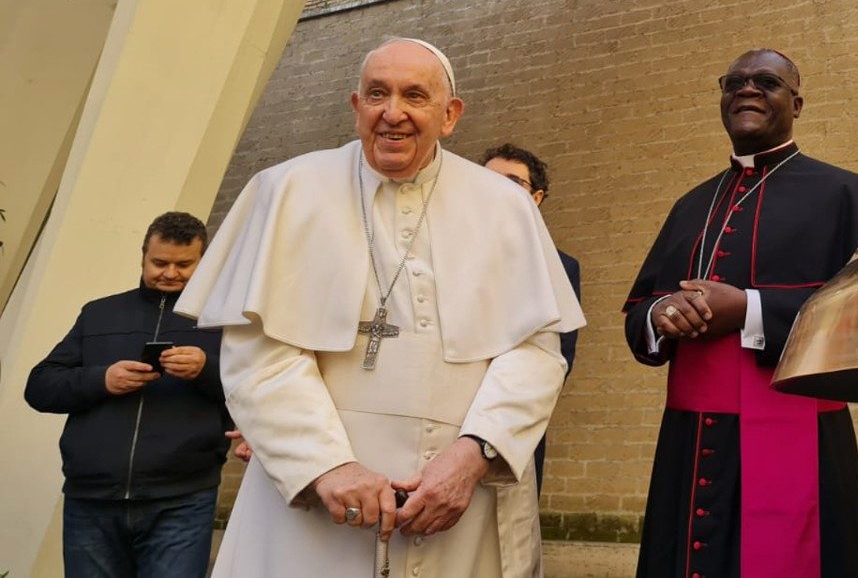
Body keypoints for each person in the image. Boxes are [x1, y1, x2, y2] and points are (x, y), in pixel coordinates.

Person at [177, 37, 585, 578]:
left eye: (415, 96)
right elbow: (259, 355)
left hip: (460, 502)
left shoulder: (505, 206)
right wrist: (327, 466)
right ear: (356, 107)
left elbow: (535, 353)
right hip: (317, 512)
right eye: (377, 94)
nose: (393, 113)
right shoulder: (287, 190)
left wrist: (473, 457)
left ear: (450, 115)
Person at [623, 49, 858, 578]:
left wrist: (749, 308)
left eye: (766, 81)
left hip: (799, 433)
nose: (747, 90)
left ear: (797, 101)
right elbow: (638, 307)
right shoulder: (690, 204)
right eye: (734, 82)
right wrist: (662, 315)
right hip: (691, 439)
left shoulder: (844, 192)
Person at [25, 211, 231, 578]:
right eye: (159, 262)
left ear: (204, 260)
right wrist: (102, 379)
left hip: (182, 500)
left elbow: (253, 393)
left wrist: (206, 370)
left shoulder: (223, 321)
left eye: (184, 264)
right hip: (92, 501)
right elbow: (39, 387)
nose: (170, 273)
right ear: (142, 258)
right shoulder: (99, 314)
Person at [481, 143, 583, 489]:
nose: (497, 188)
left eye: (513, 181)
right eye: (487, 178)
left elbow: (559, 354)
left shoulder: (561, 267)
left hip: (513, 422)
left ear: (536, 197)